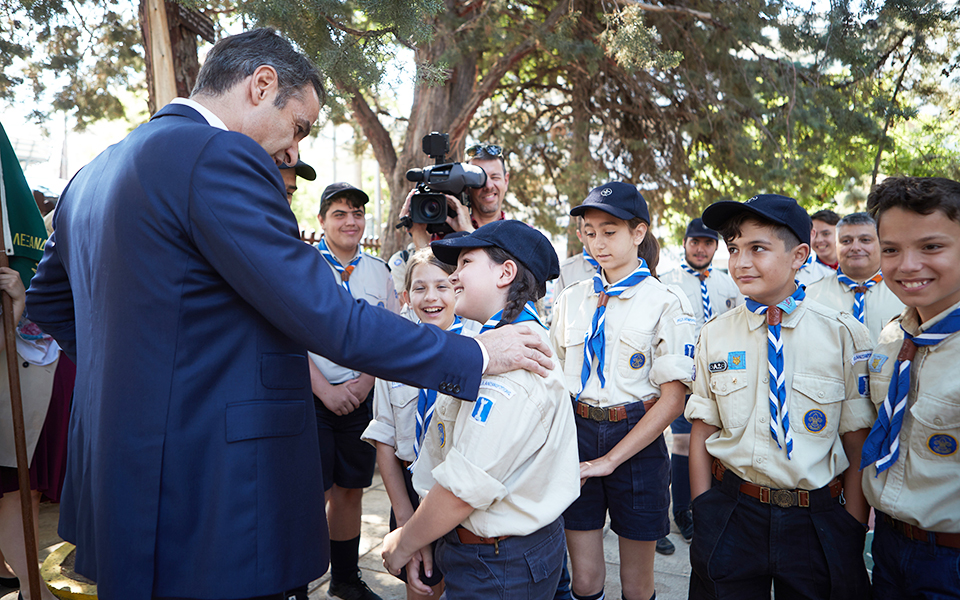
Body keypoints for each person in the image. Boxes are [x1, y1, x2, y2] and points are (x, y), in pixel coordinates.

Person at [24, 28, 553, 600]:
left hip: (116, 478)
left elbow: (50, 302)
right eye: (299, 125)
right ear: (262, 85)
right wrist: (472, 353)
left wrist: (141, 376)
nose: (291, 149)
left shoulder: (93, 172)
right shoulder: (217, 155)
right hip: (215, 491)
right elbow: (328, 317)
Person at [686, 194, 873, 599]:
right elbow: (703, 425)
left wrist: (852, 524)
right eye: (734, 249)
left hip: (816, 519)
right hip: (733, 510)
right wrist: (704, 510)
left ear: (799, 255)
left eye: (758, 248)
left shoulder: (842, 334)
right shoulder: (715, 334)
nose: (740, 262)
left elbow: (855, 438)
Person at [381, 220, 579, 600]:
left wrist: (404, 541)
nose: (453, 276)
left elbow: (461, 490)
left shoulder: (516, 364)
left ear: (506, 273)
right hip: (492, 550)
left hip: (497, 563)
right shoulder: (493, 345)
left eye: (465, 263)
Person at [550, 182, 695, 600]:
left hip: (637, 439)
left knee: (636, 585)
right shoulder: (572, 299)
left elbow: (672, 399)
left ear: (638, 232)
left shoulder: (666, 302)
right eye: (589, 231)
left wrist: (611, 459)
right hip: (575, 434)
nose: (598, 242)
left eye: (609, 231)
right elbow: (555, 380)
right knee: (586, 581)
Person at [858, 176, 960, 600]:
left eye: (932, 247)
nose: (907, 265)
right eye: (892, 249)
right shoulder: (892, 338)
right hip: (889, 546)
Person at [362, 248, 480, 600]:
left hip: (459, 499)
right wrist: (405, 521)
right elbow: (384, 437)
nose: (431, 297)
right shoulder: (393, 354)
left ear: (457, 290)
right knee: (423, 588)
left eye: (442, 286)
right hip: (410, 495)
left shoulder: (478, 349)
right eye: (419, 288)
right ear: (405, 296)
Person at [308, 182, 398, 600]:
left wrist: (364, 382)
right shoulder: (304, 265)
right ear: (321, 221)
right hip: (313, 396)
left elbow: (389, 335)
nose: (350, 221)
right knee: (313, 492)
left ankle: (344, 578)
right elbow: (288, 333)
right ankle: (296, 581)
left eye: (357, 213)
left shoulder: (379, 272)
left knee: (350, 489)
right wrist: (325, 390)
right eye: (339, 213)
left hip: (362, 396)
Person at [658, 218, 742, 546]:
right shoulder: (669, 281)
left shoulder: (728, 283)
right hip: (683, 375)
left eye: (707, 243)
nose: (700, 248)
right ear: (684, 242)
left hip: (720, 376)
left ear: (716, 247)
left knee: (714, 442)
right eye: (695, 241)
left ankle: (708, 506)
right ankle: (681, 510)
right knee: (680, 442)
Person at [0, 266, 60, 600]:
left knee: (29, 492)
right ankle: (31, 589)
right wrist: (16, 305)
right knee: (16, 493)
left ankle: (31, 587)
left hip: (43, 369)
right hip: (16, 379)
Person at [806, 212, 904, 343]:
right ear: (836, 245)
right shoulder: (812, 296)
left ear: (881, 244)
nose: (856, 247)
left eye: (865, 240)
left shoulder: (904, 293)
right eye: (846, 241)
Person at [556, 217, 600, 294]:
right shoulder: (565, 271)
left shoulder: (623, 267)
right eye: (590, 233)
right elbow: (558, 305)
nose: (598, 239)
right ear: (580, 236)